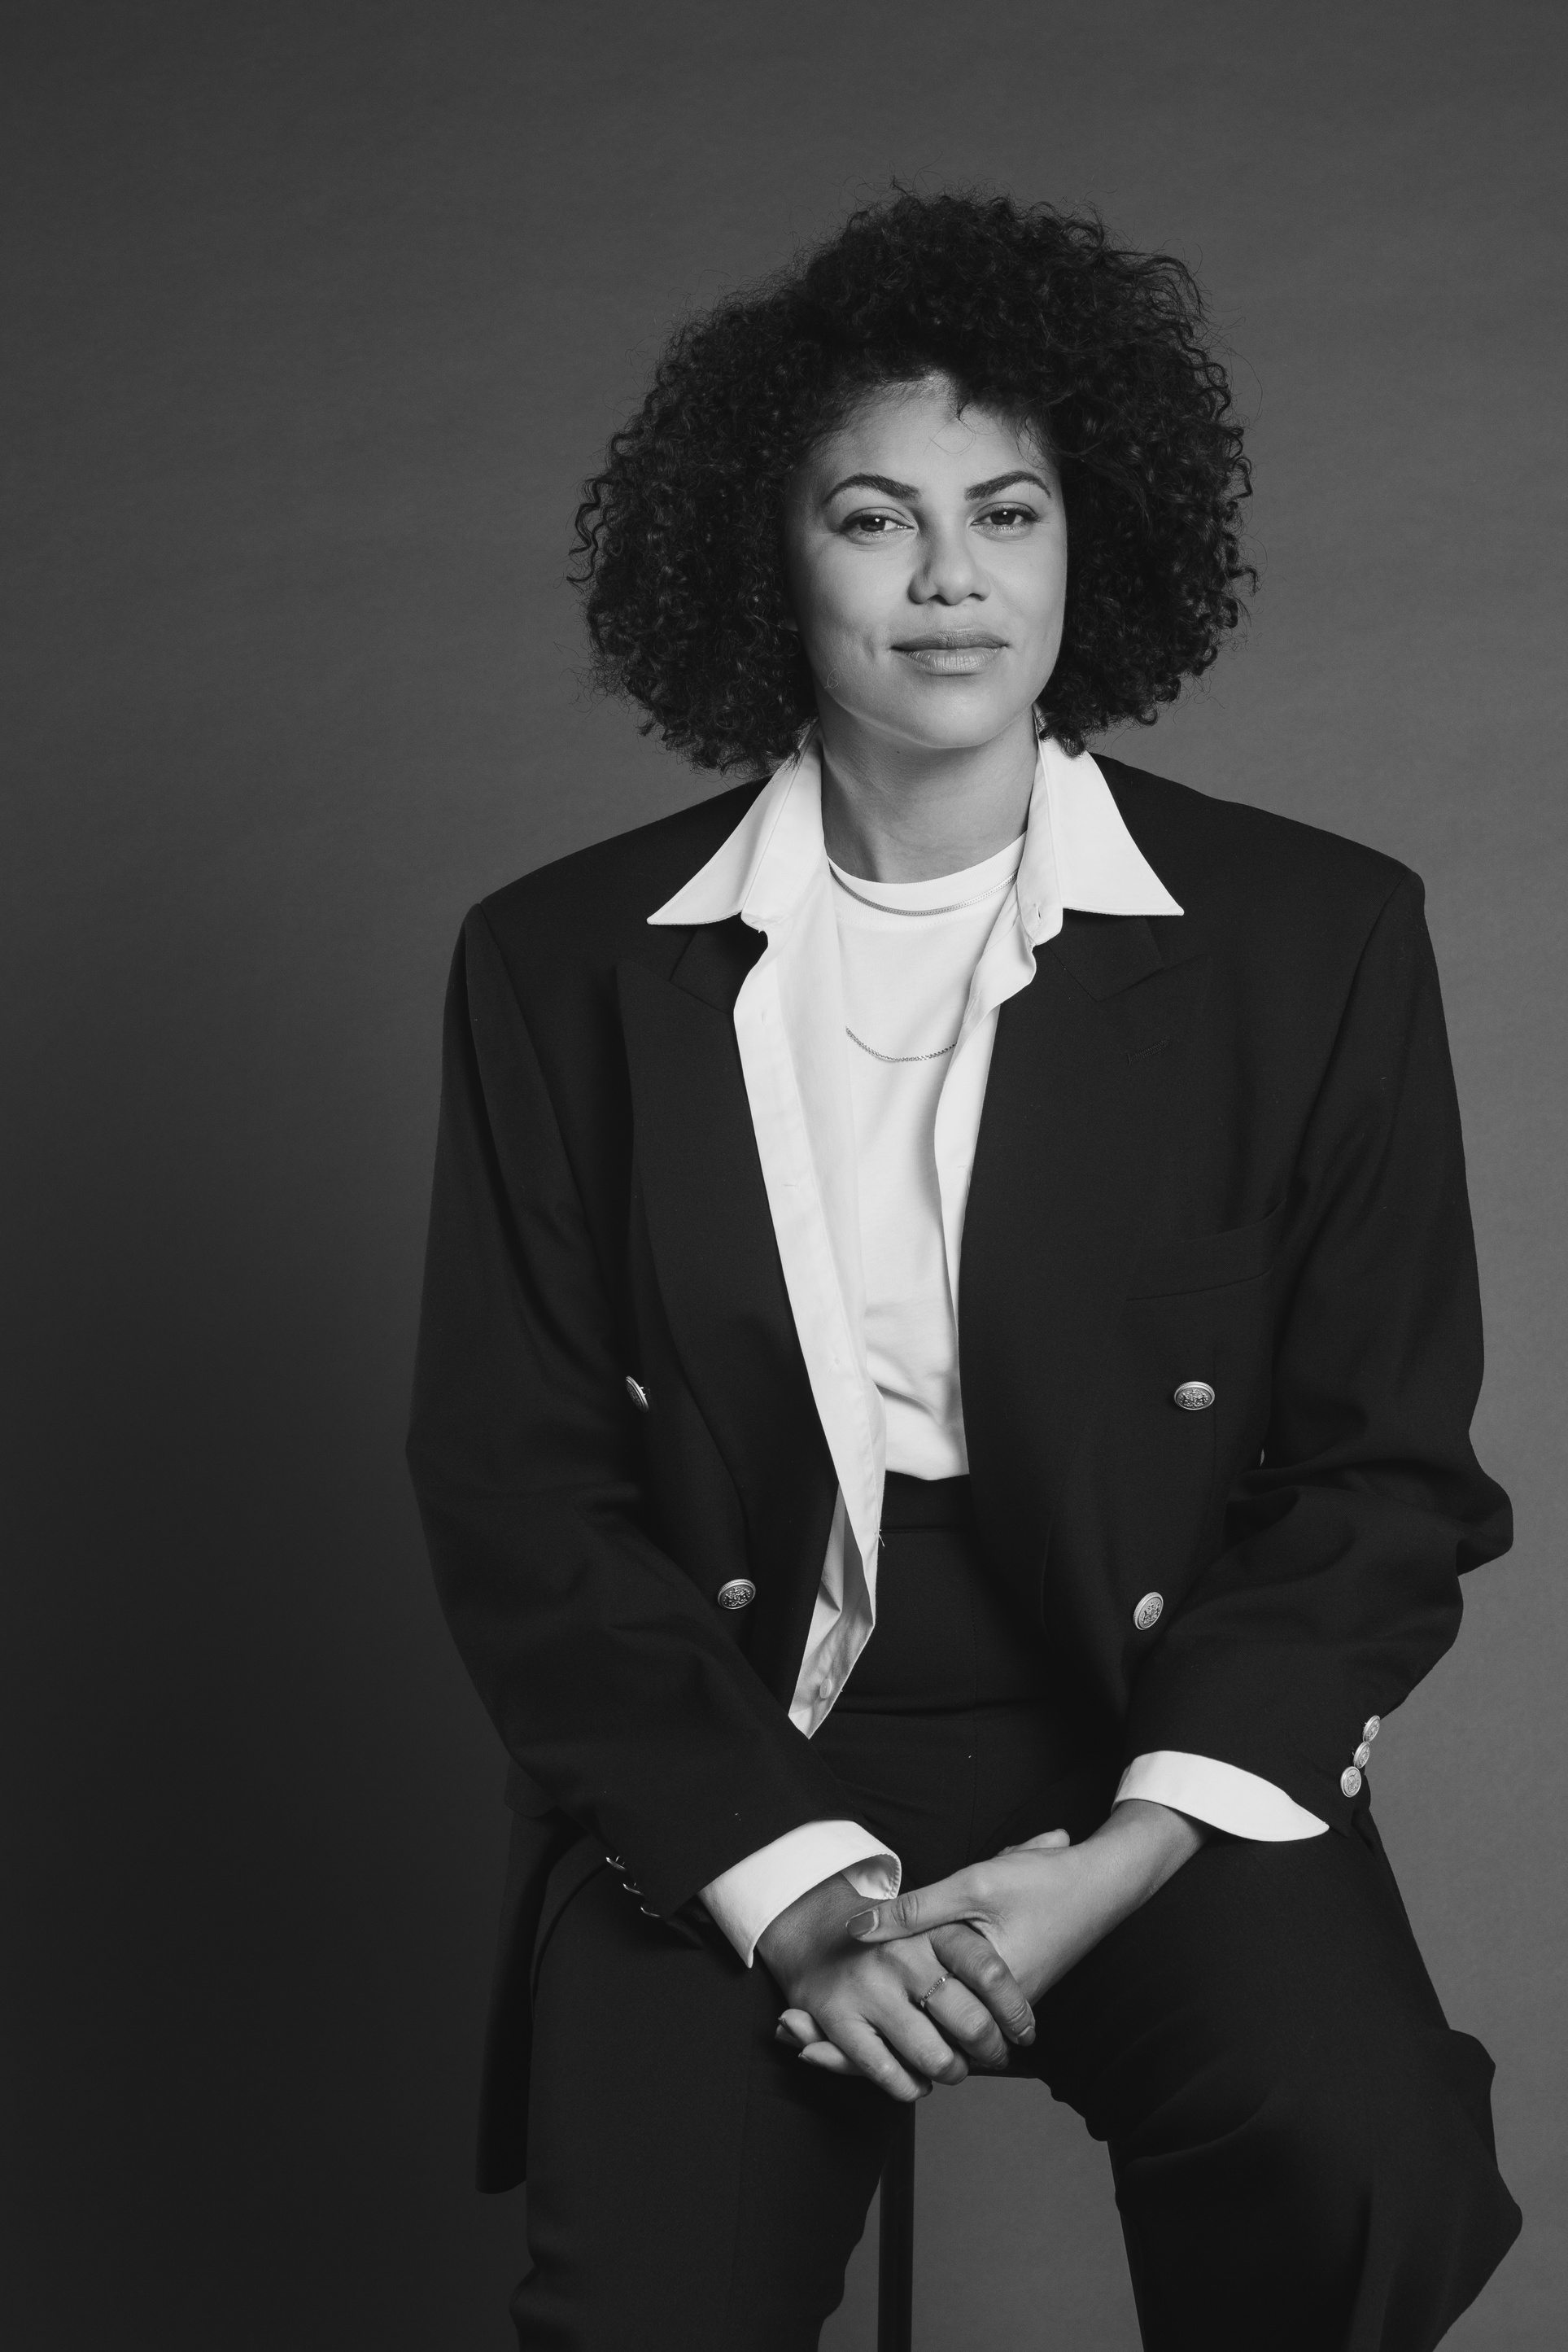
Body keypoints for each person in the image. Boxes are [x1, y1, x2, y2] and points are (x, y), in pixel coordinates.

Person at [407, 190, 1521, 2349]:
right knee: (639, 2301)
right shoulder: (556, 966)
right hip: (739, 1720)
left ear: (1089, 540)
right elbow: (517, 1488)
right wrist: (797, 1887)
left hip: (1148, 1717)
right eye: (873, 517)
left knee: (1364, 2164)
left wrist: (1119, 1859)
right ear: (768, 556)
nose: (949, 580)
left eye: (1006, 509)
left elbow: (1386, 1474)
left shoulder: (1317, 940)